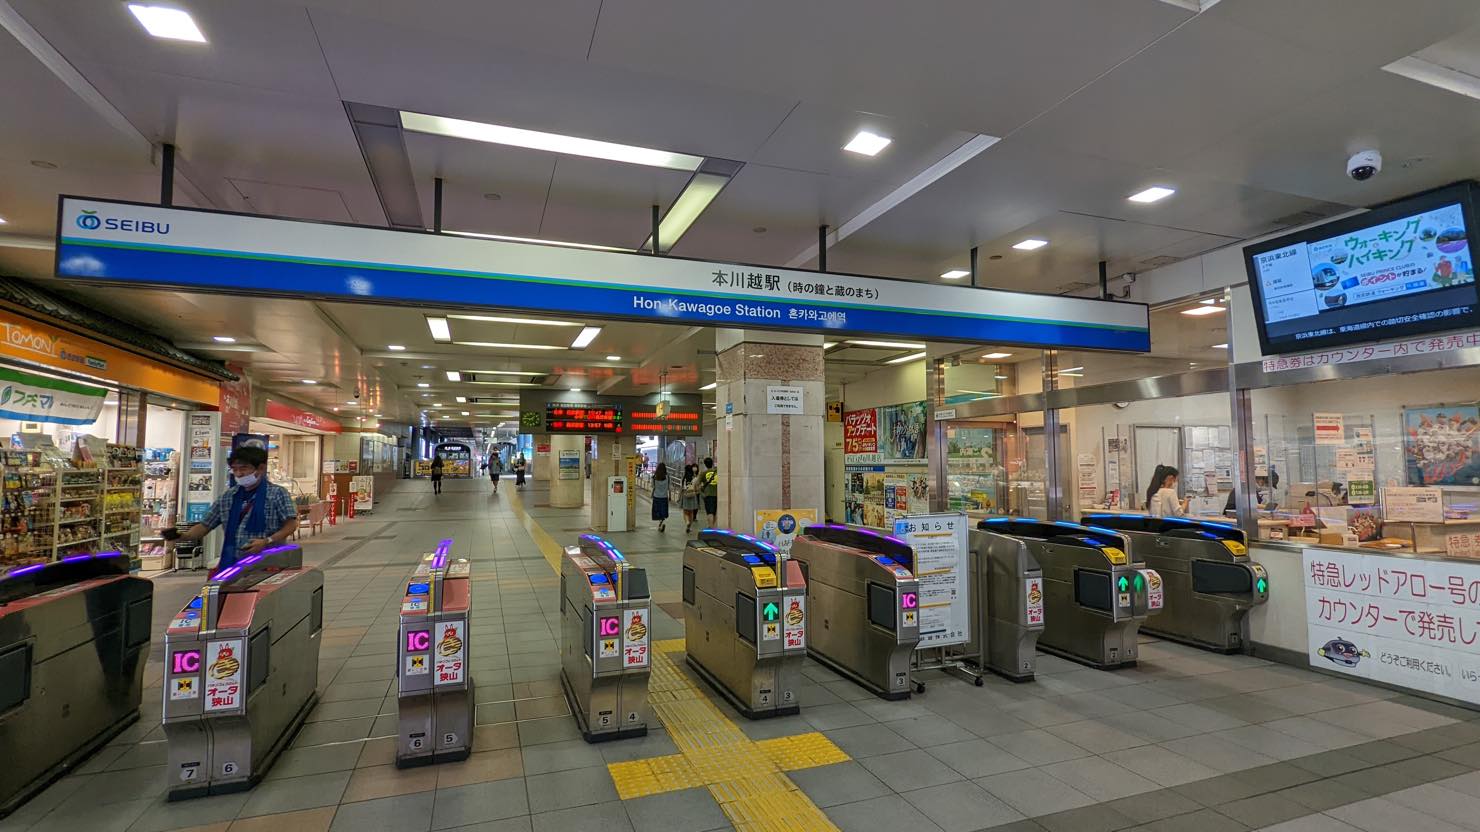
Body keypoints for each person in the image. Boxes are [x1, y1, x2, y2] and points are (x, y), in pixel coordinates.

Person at [161, 446, 298, 570]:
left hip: (268, 563)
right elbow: (205, 525)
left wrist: (267, 541)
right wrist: (182, 535)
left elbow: (291, 525)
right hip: (233, 563)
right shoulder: (228, 497)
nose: (238, 474)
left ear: (261, 468)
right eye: (235, 469)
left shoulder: (277, 494)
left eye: (244, 468)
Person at [681, 463, 700, 533]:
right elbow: (697, 488)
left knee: (685, 512)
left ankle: (687, 522)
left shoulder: (684, 478)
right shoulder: (694, 478)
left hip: (686, 496)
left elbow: (682, 488)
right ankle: (689, 527)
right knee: (691, 512)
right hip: (693, 496)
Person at [651, 462, 670, 533]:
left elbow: (653, 486)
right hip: (664, 497)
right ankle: (661, 522)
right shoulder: (667, 477)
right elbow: (669, 487)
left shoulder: (654, 477)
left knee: (657, 511)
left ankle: (661, 523)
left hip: (656, 497)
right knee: (663, 511)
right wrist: (670, 496)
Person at [701, 457, 719, 527]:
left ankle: (711, 527)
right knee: (714, 512)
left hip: (708, 495)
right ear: (712, 463)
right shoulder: (717, 472)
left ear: (705, 464)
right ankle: (712, 526)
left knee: (709, 512)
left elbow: (697, 483)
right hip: (717, 494)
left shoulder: (703, 473)